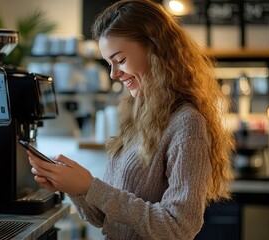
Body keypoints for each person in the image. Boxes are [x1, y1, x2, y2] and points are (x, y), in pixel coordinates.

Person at [27, 0, 235, 239]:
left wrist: (90, 187)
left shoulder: (186, 124)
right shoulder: (139, 114)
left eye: (121, 60)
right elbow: (104, 217)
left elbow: (180, 227)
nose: (114, 74)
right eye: (109, 64)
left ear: (155, 50)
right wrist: (74, 187)